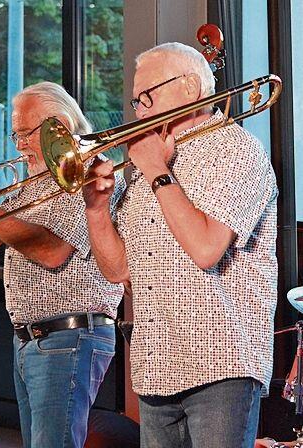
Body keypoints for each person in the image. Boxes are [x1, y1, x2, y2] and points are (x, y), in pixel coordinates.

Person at [83, 42, 278, 447]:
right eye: (136, 101)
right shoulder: (142, 166)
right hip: (156, 363)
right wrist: (97, 210)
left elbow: (206, 248)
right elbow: (119, 271)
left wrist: (156, 169)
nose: (139, 111)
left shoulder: (237, 150)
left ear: (190, 88)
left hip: (220, 363)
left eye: (148, 97)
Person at [0, 81, 126, 448]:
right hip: (32, 337)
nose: (18, 144)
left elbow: (52, 251)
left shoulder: (87, 174)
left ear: (60, 126)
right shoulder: (35, 181)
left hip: (69, 334)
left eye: (25, 133)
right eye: (15, 133)